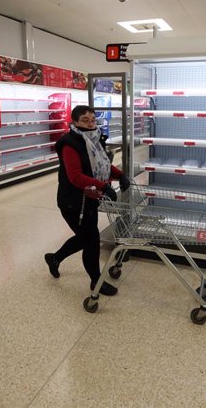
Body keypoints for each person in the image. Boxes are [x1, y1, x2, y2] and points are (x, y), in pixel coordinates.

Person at [45, 105, 131, 296]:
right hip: (73, 203)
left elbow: (103, 164)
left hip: (90, 199)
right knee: (91, 241)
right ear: (74, 121)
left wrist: (120, 175)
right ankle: (96, 282)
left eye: (93, 120)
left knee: (86, 238)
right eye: (85, 120)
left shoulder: (94, 137)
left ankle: (54, 258)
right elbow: (75, 176)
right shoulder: (69, 143)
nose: (90, 124)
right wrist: (103, 186)